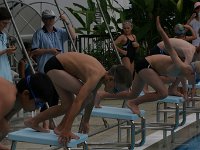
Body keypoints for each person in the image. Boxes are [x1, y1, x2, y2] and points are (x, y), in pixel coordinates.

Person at [96, 16, 200, 115]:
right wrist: (160, 30)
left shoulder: (183, 71)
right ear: (191, 71)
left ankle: (102, 95)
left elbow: (188, 82)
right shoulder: (180, 64)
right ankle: (134, 103)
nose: (192, 78)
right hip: (147, 65)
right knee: (163, 93)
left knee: (132, 94)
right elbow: (169, 46)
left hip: (144, 66)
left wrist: (187, 92)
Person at [24, 52, 132, 144]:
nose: (114, 94)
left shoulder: (101, 78)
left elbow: (91, 100)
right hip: (55, 66)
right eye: (116, 90)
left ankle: (33, 121)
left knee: (67, 104)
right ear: (110, 79)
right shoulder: (96, 76)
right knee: (84, 97)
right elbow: (79, 101)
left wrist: (86, 121)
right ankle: (63, 128)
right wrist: (68, 129)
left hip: (58, 66)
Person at [0, 73, 58, 150]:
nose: (38, 108)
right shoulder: (9, 97)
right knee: (5, 128)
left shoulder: (17, 102)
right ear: (26, 94)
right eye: (38, 103)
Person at [0, 7, 16, 82]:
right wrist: (5, 51)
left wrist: (9, 51)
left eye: (7, 23)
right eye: (4, 23)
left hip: (5, 74)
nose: (5, 26)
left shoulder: (4, 35)